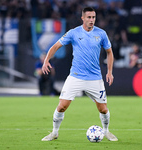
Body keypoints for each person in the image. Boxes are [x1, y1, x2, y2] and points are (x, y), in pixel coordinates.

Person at [41, 7, 118, 142]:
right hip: (76, 76)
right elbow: (55, 46)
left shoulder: (101, 34)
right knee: (62, 106)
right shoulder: (73, 33)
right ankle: (54, 132)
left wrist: (110, 72)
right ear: (83, 18)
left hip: (95, 78)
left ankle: (106, 131)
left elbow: (109, 52)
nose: (91, 20)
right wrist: (47, 60)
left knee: (103, 109)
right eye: (89, 17)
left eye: (93, 17)